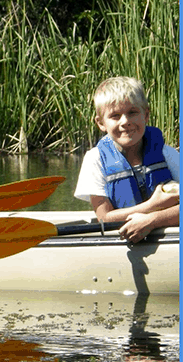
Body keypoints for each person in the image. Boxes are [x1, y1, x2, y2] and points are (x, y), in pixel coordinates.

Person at [74, 76, 179, 243]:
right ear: (101, 123)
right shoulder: (95, 159)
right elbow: (104, 218)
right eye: (115, 116)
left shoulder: (166, 153)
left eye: (132, 113)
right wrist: (153, 205)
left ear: (146, 115)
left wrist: (152, 221)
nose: (125, 122)